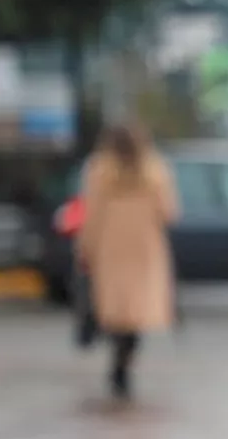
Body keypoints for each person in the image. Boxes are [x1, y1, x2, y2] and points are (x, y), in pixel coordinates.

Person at [76, 122, 179, 398]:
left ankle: (117, 358)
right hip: (145, 247)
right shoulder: (155, 170)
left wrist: (85, 248)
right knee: (136, 311)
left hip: (111, 247)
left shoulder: (99, 170)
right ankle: (124, 363)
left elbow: (91, 214)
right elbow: (169, 212)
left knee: (115, 308)